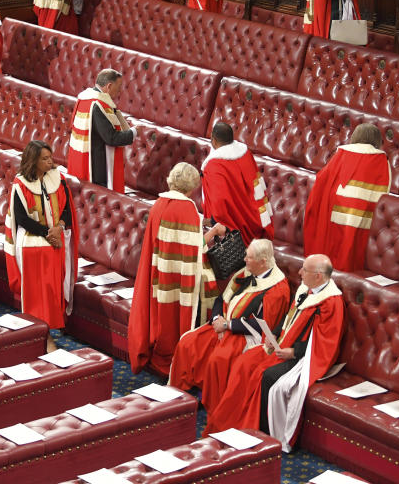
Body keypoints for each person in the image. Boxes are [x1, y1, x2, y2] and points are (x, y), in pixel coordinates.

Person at [205, 254, 345, 453]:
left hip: (303, 357)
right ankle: (230, 420)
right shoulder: (307, 289)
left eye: (304, 270)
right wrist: (274, 337)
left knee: (267, 376)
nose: (299, 273)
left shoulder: (331, 303)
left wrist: (293, 351)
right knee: (245, 361)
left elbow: (326, 343)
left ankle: (260, 434)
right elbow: (289, 320)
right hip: (281, 346)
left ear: (319, 276)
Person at [169, 239, 290, 412]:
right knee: (188, 342)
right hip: (223, 323)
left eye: (249, 258)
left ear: (263, 262)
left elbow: (263, 325)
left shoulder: (277, 288)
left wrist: (228, 325)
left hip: (245, 334)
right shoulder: (246, 272)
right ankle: (181, 396)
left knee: (219, 359)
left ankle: (212, 406)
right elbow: (221, 298)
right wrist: (218, 317)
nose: (244, 260)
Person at [127, 162, 218, 376]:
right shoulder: (186, 209)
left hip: (160, 271)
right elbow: (194, 249)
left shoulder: (160, 203)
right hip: (177, 279)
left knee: (161, 317)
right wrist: (213, 232)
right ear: (192, 186)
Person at [5, 140, 78, 352]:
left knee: (52, 289)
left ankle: (48, 331)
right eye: (45, 159)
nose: (50, 162)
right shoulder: (20, 185)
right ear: (33, 161)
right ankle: (41, 333)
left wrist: (59, 228)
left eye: (50, 158)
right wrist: (48, 233)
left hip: (54, 238)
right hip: (31, 240)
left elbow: (67, 211)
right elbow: (21, 218)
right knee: (37, 290)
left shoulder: (58, 178)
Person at [302, 123, 390, 273]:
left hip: (335, 212)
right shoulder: (382, 160)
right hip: (364, 221)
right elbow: (385, 192)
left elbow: (323, 179)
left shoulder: (342, 154)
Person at [202, 122, 274, 246]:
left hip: (234, 230)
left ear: (213, 140)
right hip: (255, 221)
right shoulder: (246, 154)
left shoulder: (214, 166)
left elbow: (219, 203)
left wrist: (214, 222)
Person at [66, 68, 135, 192]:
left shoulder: (83, 99)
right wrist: (134, 133)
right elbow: (111, 138)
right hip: (96, 167)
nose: (119, 91)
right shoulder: (98, 105)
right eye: (118, 87)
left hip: (82, 160)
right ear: (109, 86)